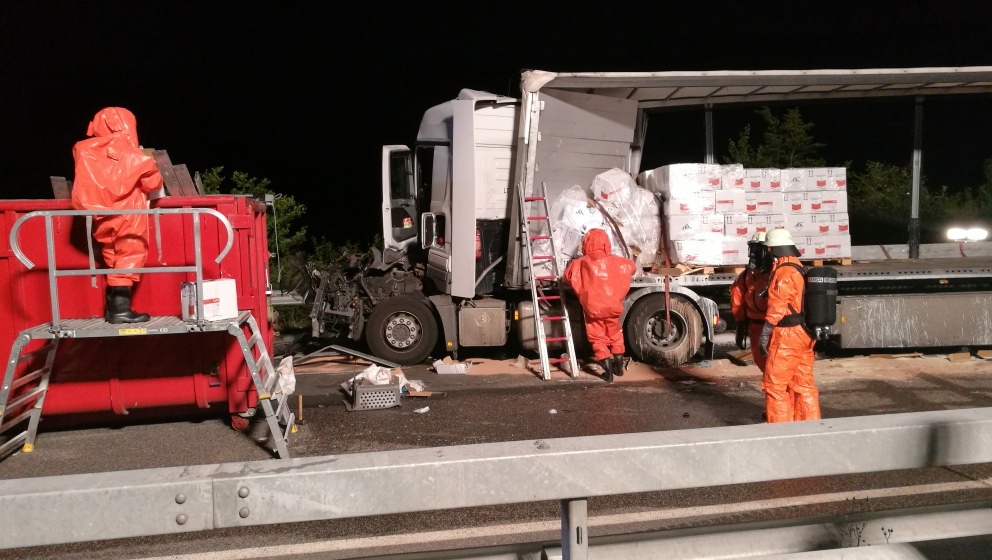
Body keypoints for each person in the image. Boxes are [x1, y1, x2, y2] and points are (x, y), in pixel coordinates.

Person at [72, 107, 164, 324]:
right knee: (129, 257)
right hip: (128, 214)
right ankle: (120, 309)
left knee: (112, 257)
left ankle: (112, 309)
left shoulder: (83, 150)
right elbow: (153, 183)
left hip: (100, 216)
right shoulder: (135, 156)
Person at [758, 228, 821, 422]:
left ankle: (780, 432)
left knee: (774, 386)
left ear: (773, 250)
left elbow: (778, 305)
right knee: (803, 384)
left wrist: (765, 332)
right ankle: (810, 427)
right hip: (804, 333)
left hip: (787, 336)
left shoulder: (784, 272)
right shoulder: (799, 267)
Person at [563, 228, 636, 383]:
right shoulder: (619, 262)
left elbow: (567, 276)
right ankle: (619, 368)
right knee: (615, 336)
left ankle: (608, 374)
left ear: (586, 244)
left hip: (593, 310)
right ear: (606, 243)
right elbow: (631, 267)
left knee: (598, 339)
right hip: (613, 308)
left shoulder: (580, 263)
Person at [730, 231, 772, 372]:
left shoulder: (777, 275)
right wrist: (740, 324)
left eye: (758, 250)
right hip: (756, 328)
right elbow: (738, 300)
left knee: (777, 370)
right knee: (763, 366)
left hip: (775, 328)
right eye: (752, 249)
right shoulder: (746, 276)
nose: (753, 254)